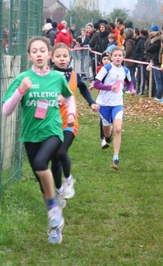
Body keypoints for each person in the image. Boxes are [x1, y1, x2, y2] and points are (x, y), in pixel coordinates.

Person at [2, 37, 75, 244]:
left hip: (52, 131)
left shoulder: (56, 78)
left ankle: (53, 206)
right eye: (35, 51)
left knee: (40, 163)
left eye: (43, 50)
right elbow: (6, 110)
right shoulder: (23, 78)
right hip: (30, 135)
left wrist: (71, 114)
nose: (39, 54)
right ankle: (55, 226)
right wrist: (20, 91)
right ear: (29, 56)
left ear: (49, 54)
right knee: (43, 185)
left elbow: (69, 96)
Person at [50, 43, 99, 208]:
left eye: (65, 56)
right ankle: (58, 192)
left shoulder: (74, 76)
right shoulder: (47, 76)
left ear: (69, 57)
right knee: (54, 161)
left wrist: (91, 103)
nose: (62, 59)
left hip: (70, 122)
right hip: (50, 124)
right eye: (58, 56)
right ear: (52, 58)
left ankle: (69, 179)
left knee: (61, 152)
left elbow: (84, 89)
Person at [92, 47, 135, 170]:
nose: (117, 57)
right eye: (115, 55)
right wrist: (109, 87)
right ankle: (107, 138)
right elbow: (96, 84)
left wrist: (131, 89)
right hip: (104, 104)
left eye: (119, 55)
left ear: (123, 57)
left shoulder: (125, 70)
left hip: (117, 103)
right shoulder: (106, 68)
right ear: (111, 57)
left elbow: (130, 82)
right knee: (107, 133)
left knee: (117, 129)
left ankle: (115, 159)